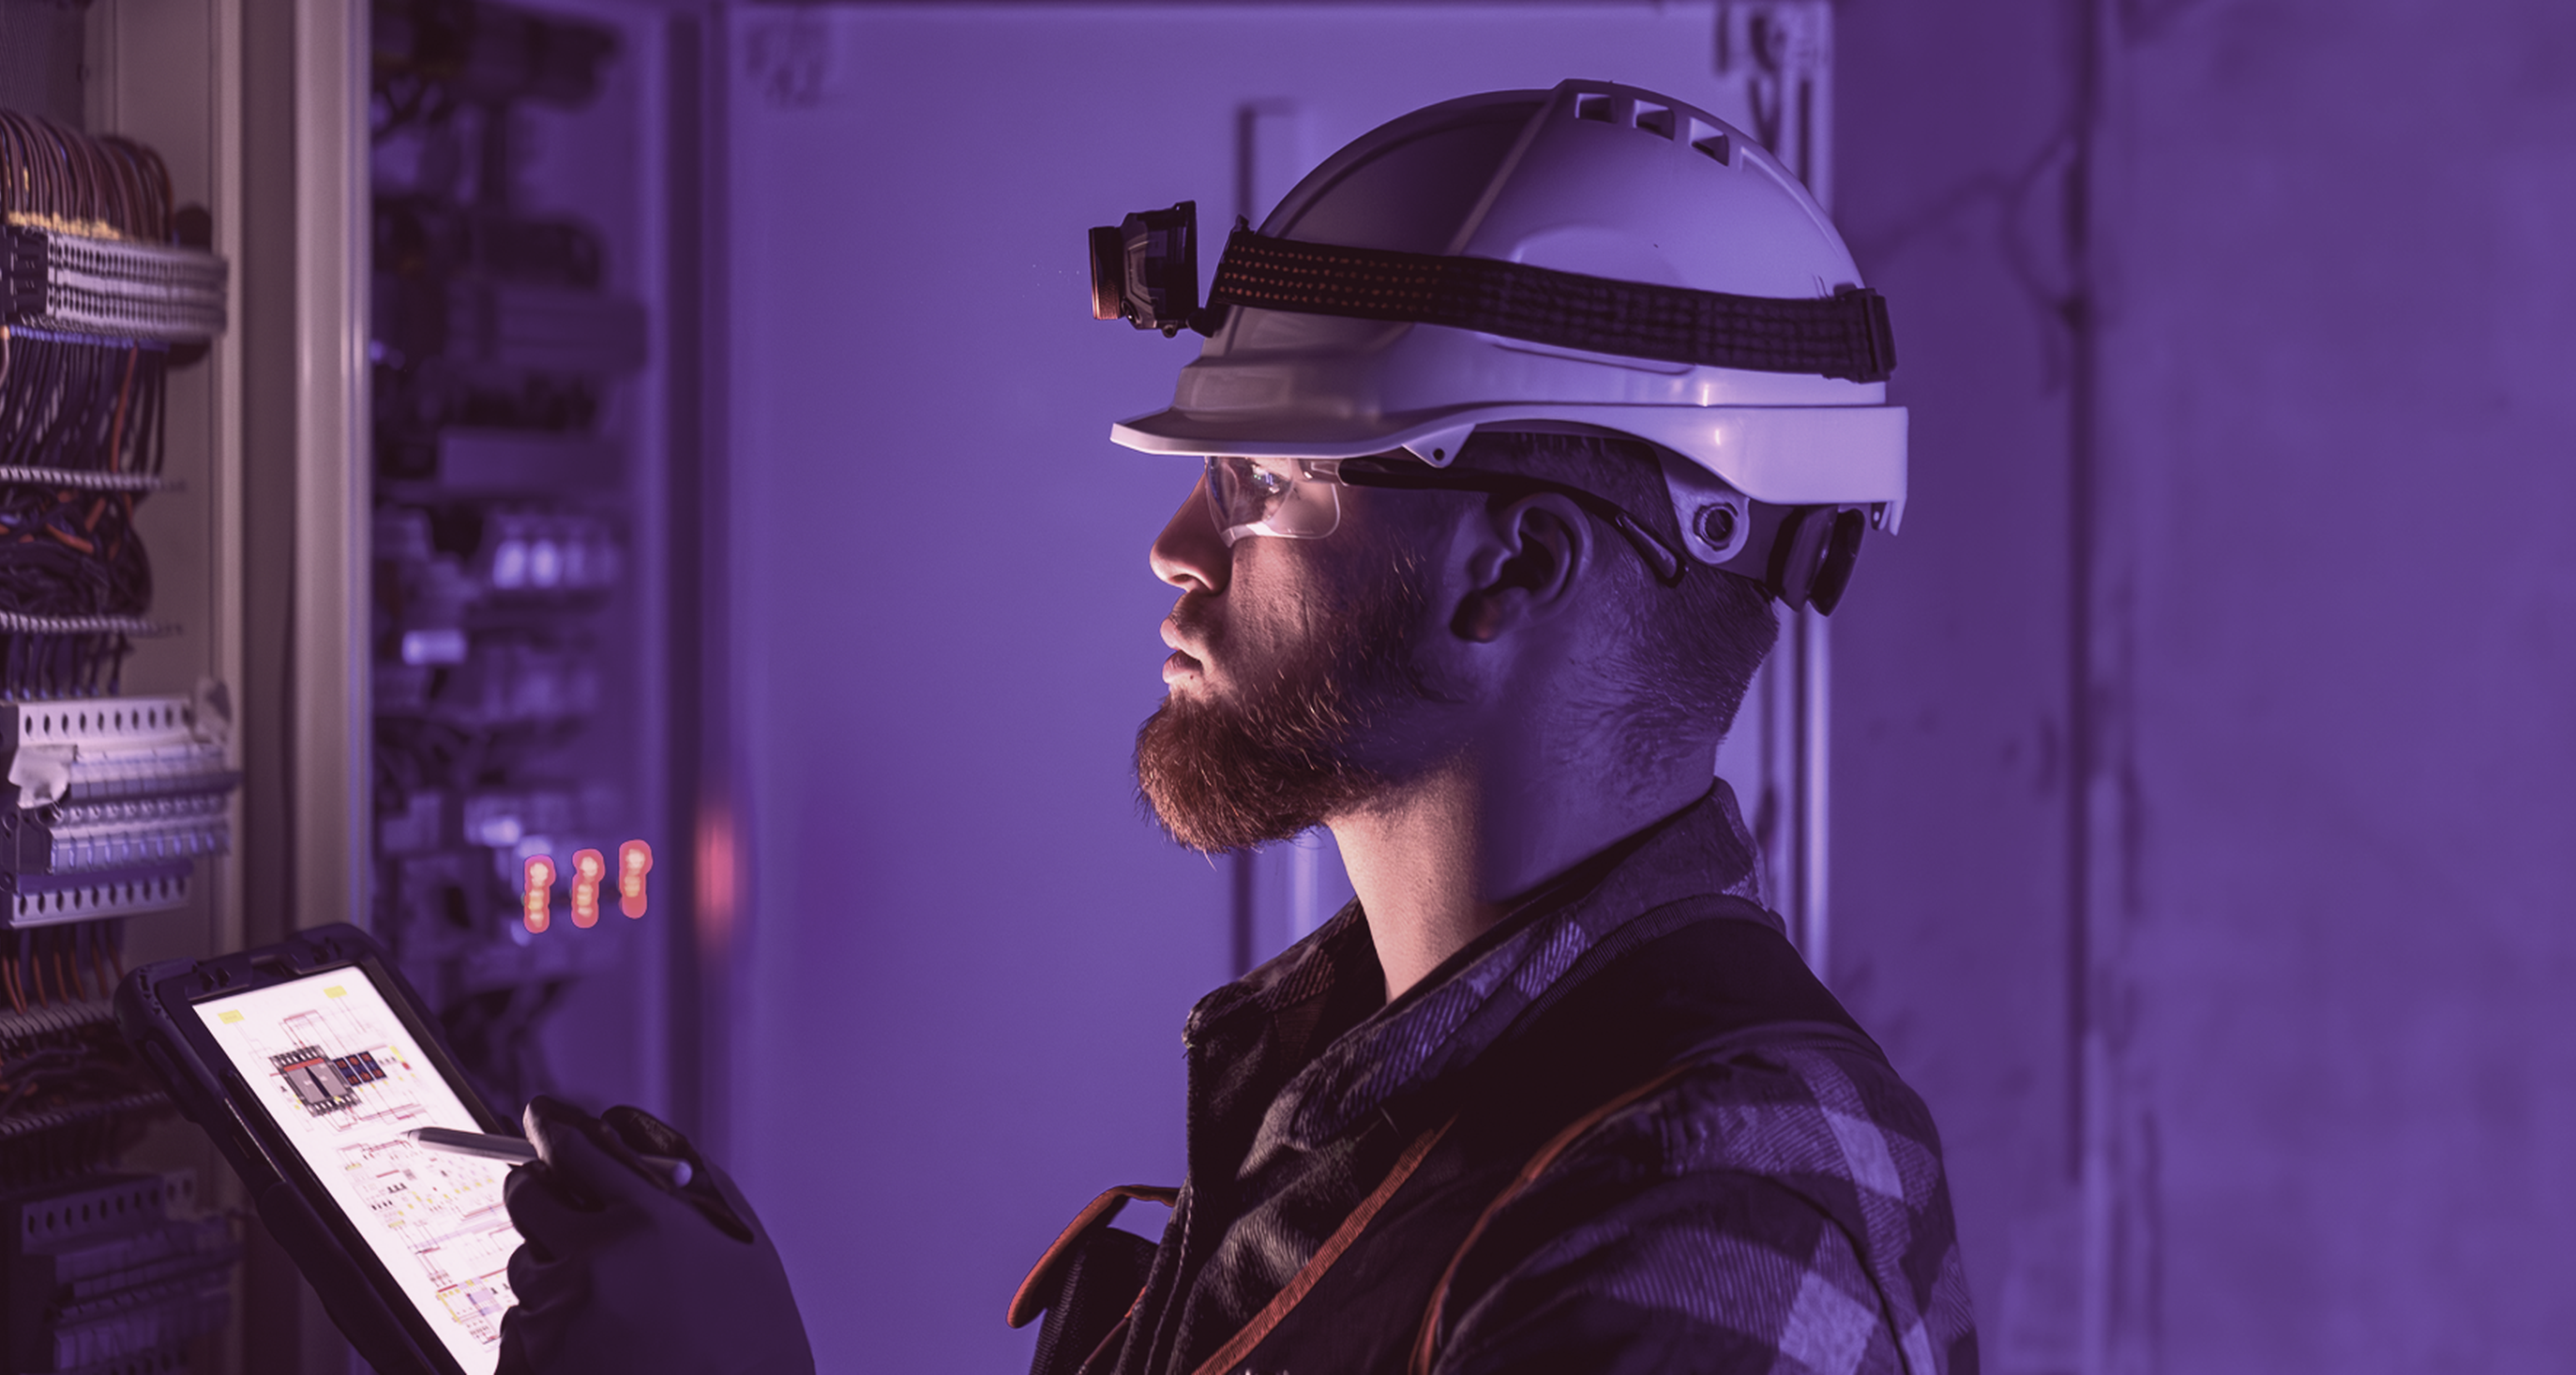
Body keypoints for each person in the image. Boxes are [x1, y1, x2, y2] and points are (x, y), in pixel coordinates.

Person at [494, 79, 1973, 1375]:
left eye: (1266, 480)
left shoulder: (1709, 1203)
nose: (1175, 543)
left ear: (1512, 570)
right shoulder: (1356, 1088)